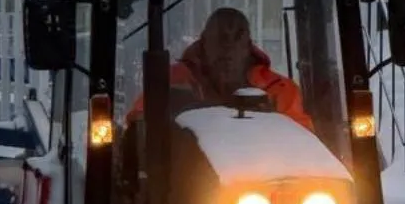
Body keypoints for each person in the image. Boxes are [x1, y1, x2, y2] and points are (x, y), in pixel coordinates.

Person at [125, 7, 312, 131]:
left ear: (248, 45)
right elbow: (138, 130)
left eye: (237, 37)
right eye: (220, 36)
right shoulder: (169, 83)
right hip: (184, 173)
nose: (228, 46)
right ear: (204, 42)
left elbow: (304, 142)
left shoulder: (279, 90)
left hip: (263, 173)